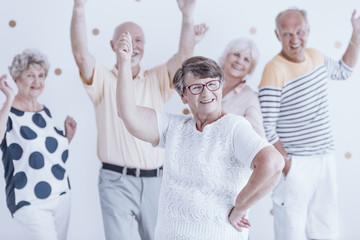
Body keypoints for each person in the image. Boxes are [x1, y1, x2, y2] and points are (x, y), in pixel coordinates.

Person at [115, 32, 284, 240]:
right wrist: (124, 63)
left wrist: (240, 206)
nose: (206, 93)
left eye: (212, 84)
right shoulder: (174, 127)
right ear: (183, 97)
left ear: (220, 88)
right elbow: (127, 114)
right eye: (196, 88)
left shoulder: (234, 127)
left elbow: (273, 163)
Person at [70, 0, 206, 239]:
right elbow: (81, 55)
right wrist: (79, 7)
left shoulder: (156, 79)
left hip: (156, 180)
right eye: (125, 38)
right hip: (115, 181)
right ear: (113, 45)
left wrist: (187, 15)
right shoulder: (102, 79)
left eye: (138, 39)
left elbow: (184, 56)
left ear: (144, 46)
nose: (132, 44)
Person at [258, 8, 360, 240]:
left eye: (300, 32)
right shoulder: (274, 69)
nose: (295, 39)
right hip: (297, 164)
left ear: (308, 31)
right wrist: (288, 166)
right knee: (291, 231)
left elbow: (344, 71)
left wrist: (356, 34)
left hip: (325, 159)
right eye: (287, 34)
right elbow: (267, 127)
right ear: (277, 35)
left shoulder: (316, 56)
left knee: (324, 228)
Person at [0, 49, 77, 240]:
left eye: (41, 75)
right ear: (16, 79)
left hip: (61, 195)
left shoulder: (45, 112)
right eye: (30, 75)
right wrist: (8, 99)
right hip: (29, 202)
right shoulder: (7, 114)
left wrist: (67, 137)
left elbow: (45, 153)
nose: (37, 81)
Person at [218, 38, 266, 138]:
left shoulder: (251, 98)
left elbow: (258, 138)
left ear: (250, 68)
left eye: (246, 59)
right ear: (226, 56)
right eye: (236, 54)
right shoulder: (208, 84)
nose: (239, 61)